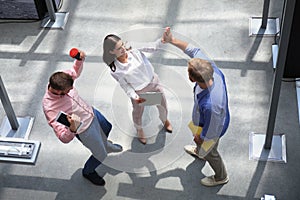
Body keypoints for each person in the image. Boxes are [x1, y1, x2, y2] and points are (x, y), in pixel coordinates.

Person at [42, 49, 122, 186]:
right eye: (67, 91)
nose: (70, 92)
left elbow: (74, 72)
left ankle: (106, 145)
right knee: (100, 155)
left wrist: (80, 60)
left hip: (91, 113)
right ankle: (88, 172)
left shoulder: (63, 79)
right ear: (57, 91)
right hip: (83, 129)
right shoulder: (50, 107)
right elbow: (63, 138)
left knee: (107, 127)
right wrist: (72, 128)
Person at [162, 27, 230, 187]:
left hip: (212, 128)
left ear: (192, 79)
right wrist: (172, 40)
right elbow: (194, 50)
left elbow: (212, 128)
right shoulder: (211, 70)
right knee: (203, 147)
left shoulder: (211, 105)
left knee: (211, 152)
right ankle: (201, 152)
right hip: (202, 120)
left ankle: (221, 176)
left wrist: (202, 138)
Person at [102, 34, 173, 144]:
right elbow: (125, 86)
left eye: (123, 45)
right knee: (137, 114)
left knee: (163, 105)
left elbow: (152, 47)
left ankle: (164, 120)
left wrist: (162, 41)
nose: (123, 49)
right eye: (119, 48)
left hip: (153, 83)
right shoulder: (115, 69)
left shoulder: (132, 48)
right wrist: (135, 97)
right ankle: (139, 130)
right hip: (139, 92)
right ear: (111, 52)